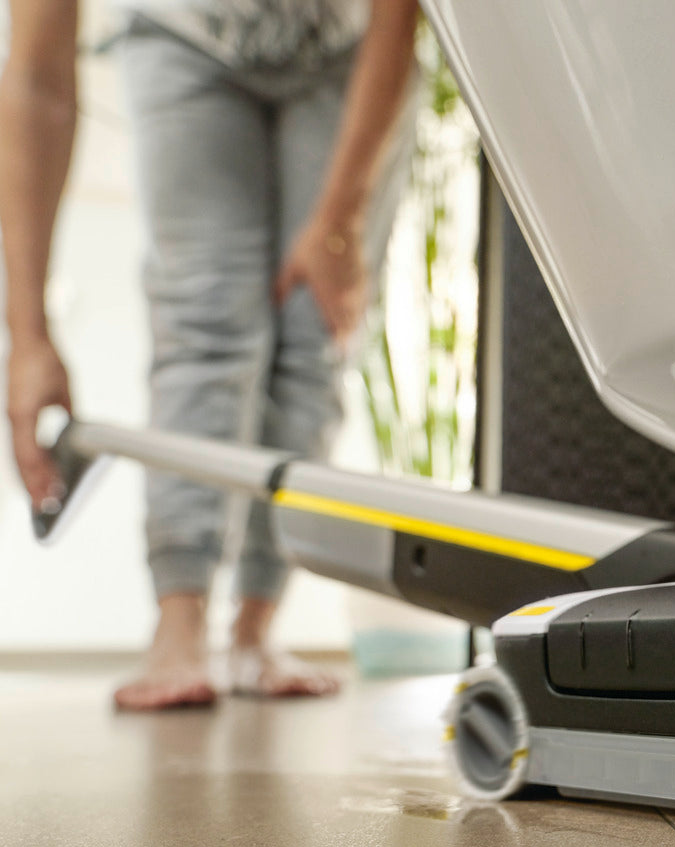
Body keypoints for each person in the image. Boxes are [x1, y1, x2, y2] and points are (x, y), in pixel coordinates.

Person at [1, 0, 419, 708]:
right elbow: (37, 77)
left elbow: (399, 11)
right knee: (205, 323)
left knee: (314, 331)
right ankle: (180, 625)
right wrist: (28, 336)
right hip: (181, 38)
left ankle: (255, 628)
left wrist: (341, 220)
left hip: (350, 48)